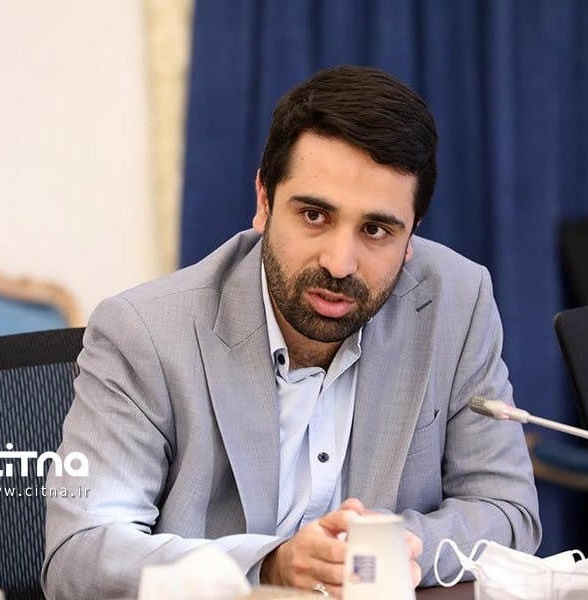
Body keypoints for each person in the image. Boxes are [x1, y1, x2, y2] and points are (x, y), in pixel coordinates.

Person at [42, 65, 541, 599]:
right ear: (264, 201)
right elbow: (80, 553)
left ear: (411, 235)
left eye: (375, 230)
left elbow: (508, 511)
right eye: (314, 216)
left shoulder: (456, 302)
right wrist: (270, 566)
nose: (339, 263)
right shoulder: (144, 333)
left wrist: (381, 553)